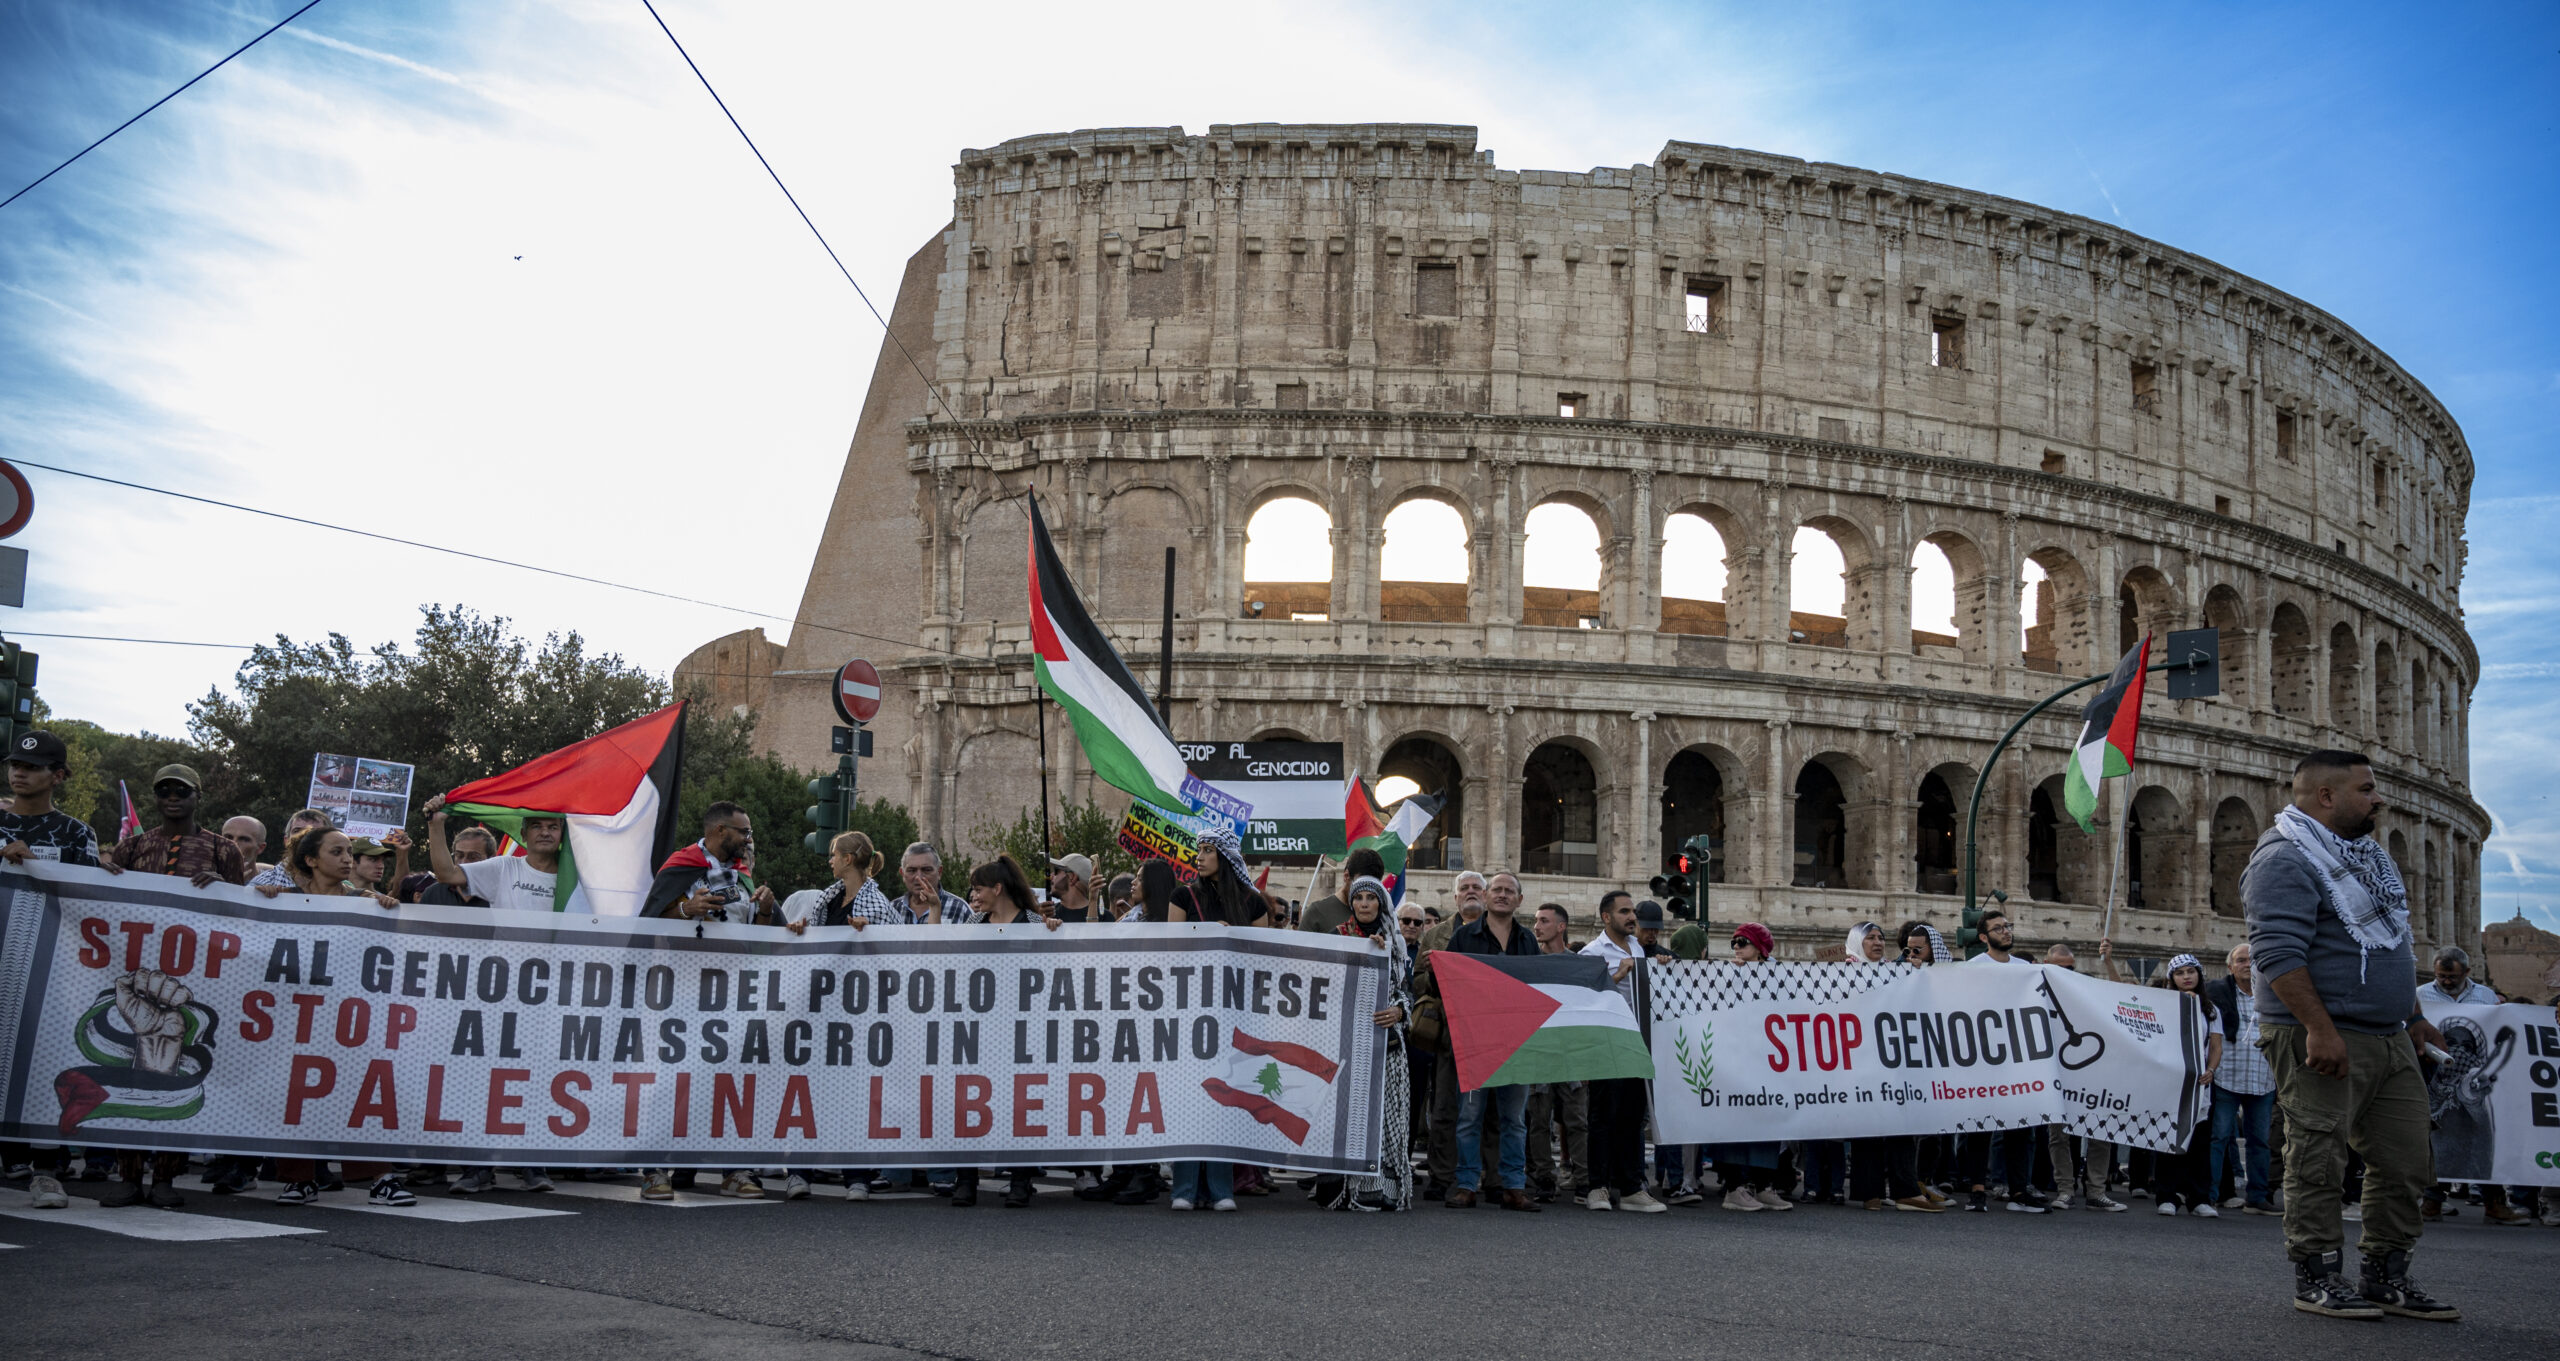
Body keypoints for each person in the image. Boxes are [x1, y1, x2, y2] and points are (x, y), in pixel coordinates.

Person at [2244, 749, 2457, 1321]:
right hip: (2321, 1034)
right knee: (2318, 1155)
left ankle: (2387, 1274)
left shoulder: (2366, 858)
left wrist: (2411, 1016)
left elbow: (2388, 945)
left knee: (2406, 1159)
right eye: (2366, 789)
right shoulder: (2284, 859)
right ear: (2326, 796)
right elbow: (2276, 951)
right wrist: (2319, 1027)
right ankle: (2317, 1276)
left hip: (2388, 1035)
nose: (2379, 798)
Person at [98, 763, 250, 1209]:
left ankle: (166, 1176)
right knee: (133, 1063)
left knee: (175, 1065)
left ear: (197, 796)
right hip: (136, 966)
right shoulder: (133, 846)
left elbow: (243, 912)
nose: (171, 798)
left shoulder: (222, 849)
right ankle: (129, 1175)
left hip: (196, 972)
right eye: (164, 791)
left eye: (180, 791)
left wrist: (223, 887)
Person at [0, 731, 99, 1210]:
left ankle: (46, 1171)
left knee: (43, 1063)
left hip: (46, 968)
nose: (20, 772)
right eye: (15, 764)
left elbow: (92, 903)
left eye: (33, 766)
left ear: (58, 776)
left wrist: (35, 863)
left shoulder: (77, 833)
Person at [1418, 870, 1544, 1211]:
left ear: (1519, 900)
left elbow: (1536, 990)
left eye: (1510, 891)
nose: (1502, 895)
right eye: (1497, 889)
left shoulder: (1527, 941)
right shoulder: (1463, 937)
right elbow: (1444, 991)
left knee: (1514, 1121)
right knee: (1469, 1117)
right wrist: (1435, 972)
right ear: (1486, 897)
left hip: (1515, 1043)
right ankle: (1465, 1184)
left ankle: (1513, 1187)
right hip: (1472, 1042)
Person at [956, 856, 1061, 1209]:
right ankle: (965, 1179)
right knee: (970, 1101)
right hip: (979, 1030)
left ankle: (1020, 1179)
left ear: (997, 889)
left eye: (979, 888)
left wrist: (1057, 931)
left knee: (1021, 1103)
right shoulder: (974, 922)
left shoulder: (1034, 923)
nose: (975, 895)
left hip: (1023, 1031)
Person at [1949, 905, 2048, 1214]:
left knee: (2020, 1127)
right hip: (1982, 1060)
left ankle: (2019, 1190)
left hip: (2018, 1060)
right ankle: (1978, 1190)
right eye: (1999, 928)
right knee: (1980, 1127)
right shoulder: (1972, 968)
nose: (2006, 931)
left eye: (2007, 926)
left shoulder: (2026, 969)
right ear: (1983, 936)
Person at [1329, 875, 1415, 1209]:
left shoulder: (1395, 942)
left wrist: (1398, 1010)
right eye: (1359, 898)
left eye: (1371, 898)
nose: (1364, 903)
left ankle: (1387, 1189)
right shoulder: (1337, 937)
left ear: (1381, 903)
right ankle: (1355, 1186)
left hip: (1387, 1045)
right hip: (1346, 1043)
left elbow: (1407, 990)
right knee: (1354, 1116)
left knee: (1387, 1114)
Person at [1578, 890, 1665, 1213]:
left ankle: (1631, 1187)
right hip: (1606, 1042)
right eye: (1625, 911)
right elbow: (1586, 998)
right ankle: (1598, 1187)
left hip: (1636, 1043)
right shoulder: (1592, 952)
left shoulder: (1639, 948)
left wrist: (1659, 969)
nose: (1632, 917)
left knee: (1632, 1117)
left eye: (1633, 912)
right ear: (1606, 917)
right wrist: (1618, 975)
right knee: (1602, 1117)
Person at [1708, 923, 1794, 1213]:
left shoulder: (1779, 975)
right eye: (1734, 942)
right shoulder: (1728, 974)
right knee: (1736, 1125)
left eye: (1743, 942)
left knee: (1766, 1125)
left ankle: (1764, 1184)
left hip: (1767, 1061)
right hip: (1736, 1061)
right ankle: (1735, 1187)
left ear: (1760, 947)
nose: (1736, 947)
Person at [1415, 869, 1488, 1199]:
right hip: (1449, 1031)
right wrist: (1430, 974)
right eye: (1465, 888)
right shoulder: (1436, 935)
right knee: (1444, 1107)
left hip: (1490, 1031)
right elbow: (1416, 984)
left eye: (1477, 887)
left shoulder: (1502, 930)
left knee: (1491, 1110)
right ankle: (1442, 1175)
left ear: (1484, 895)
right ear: (1455, 896)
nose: (1471, 892)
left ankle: (1490, 1177)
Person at [2149, 954, 2227, 1216]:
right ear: (2172, 978)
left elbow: (2215, 1044)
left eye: (2191, 972)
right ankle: (2166, 1195)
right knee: (2169, 1136)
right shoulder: (2163, 1005)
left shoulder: (2211, 1010)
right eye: (2180, 973)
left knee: (2200, 1140)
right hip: (2172, 1079)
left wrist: (2211, 1069)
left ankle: (2199, 1197)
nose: (2186, 977)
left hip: (2199, 1082)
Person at [2203, 943, 2278, 1216]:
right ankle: (2208, 1195)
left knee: (2260, 1141)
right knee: (2219, 1137)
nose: (2248, 964)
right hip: (2227, 1076)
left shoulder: (2273, 994)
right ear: (2230, 967)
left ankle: (2257, 1197)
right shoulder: (2216, 993)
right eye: (2242, 960)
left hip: (2263, 1078)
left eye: (2253, 960)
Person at [1523, 902, 1588, 1201]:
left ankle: (1583, 1179)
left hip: (1570, 1051)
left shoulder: (1577, 964)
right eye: (1536, 920)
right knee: (1538, 1120)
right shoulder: (1529, 960)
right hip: (1539, 1050)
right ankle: (1543, 1180)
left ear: (1560, 927)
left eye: (1544, 921)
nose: (1537, 926)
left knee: (1576, 1119)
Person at [423, 798, 563, 915]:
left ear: (562, 835)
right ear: (523, 834)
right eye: (536, 826)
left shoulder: (576, 877)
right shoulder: (503, 868)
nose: (545, 833)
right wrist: (435, 824)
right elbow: (447, 875)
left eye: (553, 827)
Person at [644, 802, 775, 923]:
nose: (749, 840)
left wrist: (765, 909)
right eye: (744, 832)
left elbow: (758, 939)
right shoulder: (680, 866)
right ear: (721, 830)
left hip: (736, 949)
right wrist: (686, 909)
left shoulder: (741, 875)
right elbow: (648, 923)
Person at [784, 831, 903, 934]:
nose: (830, 861)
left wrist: (870, 931)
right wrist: (804, 932)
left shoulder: (878, 906)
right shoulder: (830, 899)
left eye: (834, 855)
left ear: (847, 859)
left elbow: (887, 948)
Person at [1300, 847, 1387, 935]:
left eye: (1372, 888)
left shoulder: (1385, 920)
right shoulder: (1316, 912)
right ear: (1346, 876)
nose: (1364, 904)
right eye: (1360, 885)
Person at [891, 841, 974, 923]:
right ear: (902, 874)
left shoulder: (960, 910)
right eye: (912, 870)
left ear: (939, 872)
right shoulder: (892, 909)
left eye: (926, 870)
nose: (919, 877)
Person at [1046, 852, 1098, 922]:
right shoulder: (1048, 914)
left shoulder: (1105, 917)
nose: (1051, 876)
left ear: (1072, 877)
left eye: (1056, 872)